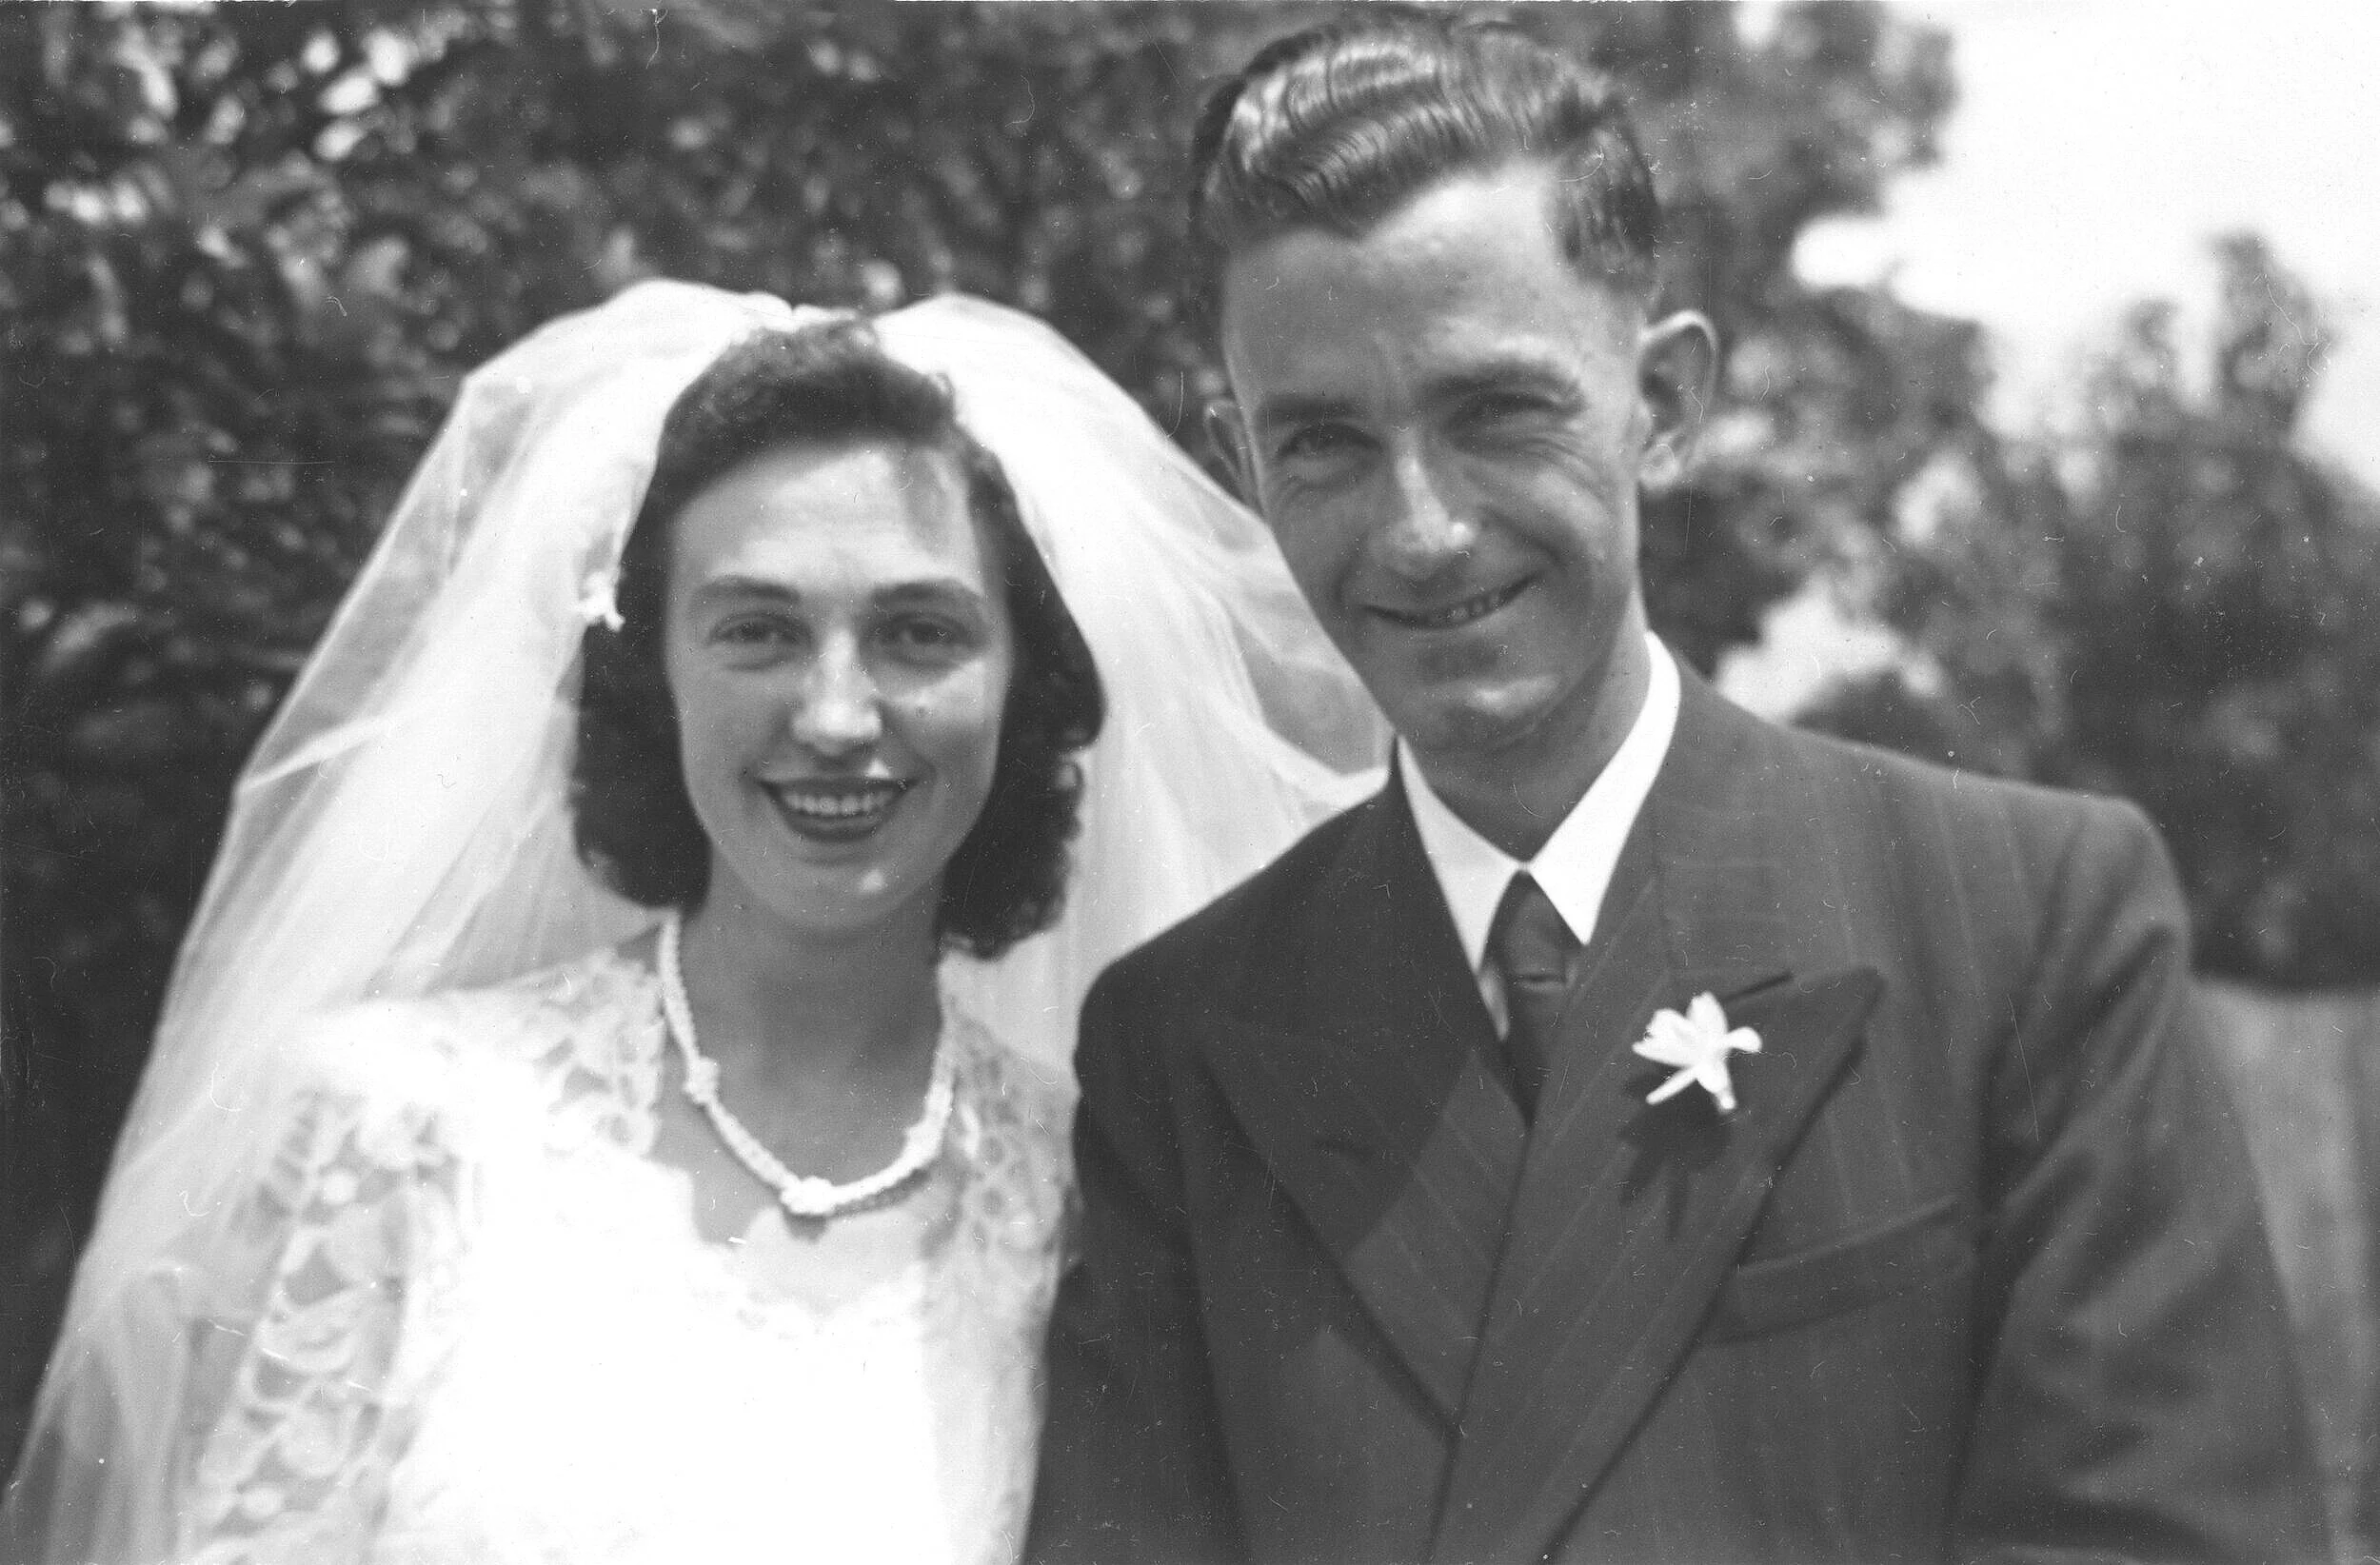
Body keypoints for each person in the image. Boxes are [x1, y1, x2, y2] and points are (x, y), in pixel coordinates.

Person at [1028, 16, 2333, 1565]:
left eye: (1495, 413)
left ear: (1662, 400)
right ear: (1240, 462)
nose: (1422, 530)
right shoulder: (1183, 1046)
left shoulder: (2024, 928)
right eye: (1323, 443)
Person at [2, 282, 1378, 1564]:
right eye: (757, 631)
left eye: (919, 633)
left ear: (1022, 683)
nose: (835, 716)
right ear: (650, 670)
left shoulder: (1091, 1198)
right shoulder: (398, 1129)